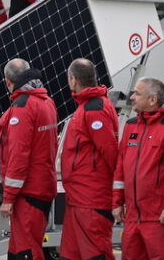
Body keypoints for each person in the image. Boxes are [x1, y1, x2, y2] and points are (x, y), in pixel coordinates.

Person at [112, 78, 164, 259]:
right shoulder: (131, 125)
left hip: (160, 219)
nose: (131, 97)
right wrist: (117, 202)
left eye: (137, 93)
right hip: (132, 217)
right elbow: (120, 167)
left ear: (152, 100)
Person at [0, 59, 58, 260]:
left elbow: (17, 156)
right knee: (19, 250)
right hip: (42, 185)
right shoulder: (47, 102)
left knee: (27, 251)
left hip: (28, 191)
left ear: (8, 82)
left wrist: (8, 198)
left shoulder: (22, 108)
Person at [60, 58, 119, 260]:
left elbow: (110, 152)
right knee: (72, 254)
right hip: (80, 198)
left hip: (92, 199)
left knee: (96, 254)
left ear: (73, 80)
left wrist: (119, 193)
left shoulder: (94, 108)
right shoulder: (88, 106)